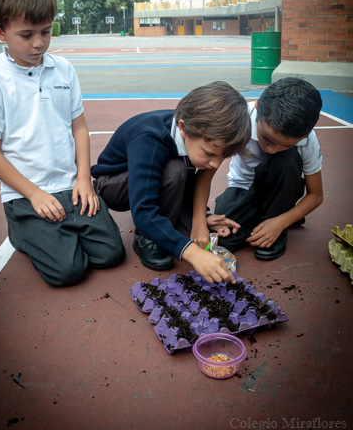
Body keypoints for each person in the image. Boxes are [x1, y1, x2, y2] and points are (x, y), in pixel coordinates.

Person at [0, 0, 125, 286]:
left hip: (71, 185)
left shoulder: (64, 70)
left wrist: (83, 178)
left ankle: (57, 231)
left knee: (111, 255)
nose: (39, 43)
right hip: (26, 193)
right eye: (26, 35)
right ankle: (23, 230)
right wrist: (34, 194)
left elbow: (79, 129)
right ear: (0, 32)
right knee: (67, 272)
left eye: (47, 31)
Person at [91, 81, 252, 284]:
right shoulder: (149, 139)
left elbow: (200, 179)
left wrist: (200, 220)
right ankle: (146, 238)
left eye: (224, 157)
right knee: (176, 169)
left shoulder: (206, 136)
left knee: (193, 233)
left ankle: (171, 223)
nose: (216, 163)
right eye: (210, 154)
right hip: (115, 185)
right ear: (183, 128)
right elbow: (144, 211)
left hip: (161, 177)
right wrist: (193, 253)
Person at [213, 77, 323, 260]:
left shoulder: (307, 140)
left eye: (285, 144)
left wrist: (280, 223)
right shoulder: (240, 120)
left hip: (282, 185)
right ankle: (270, 216)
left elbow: (316, 195)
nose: (270, 150)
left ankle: (277, 220)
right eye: (267, 138)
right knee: (225, 239)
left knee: (285, 159)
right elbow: (208, 167)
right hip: (244, 188)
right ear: (257, 107)